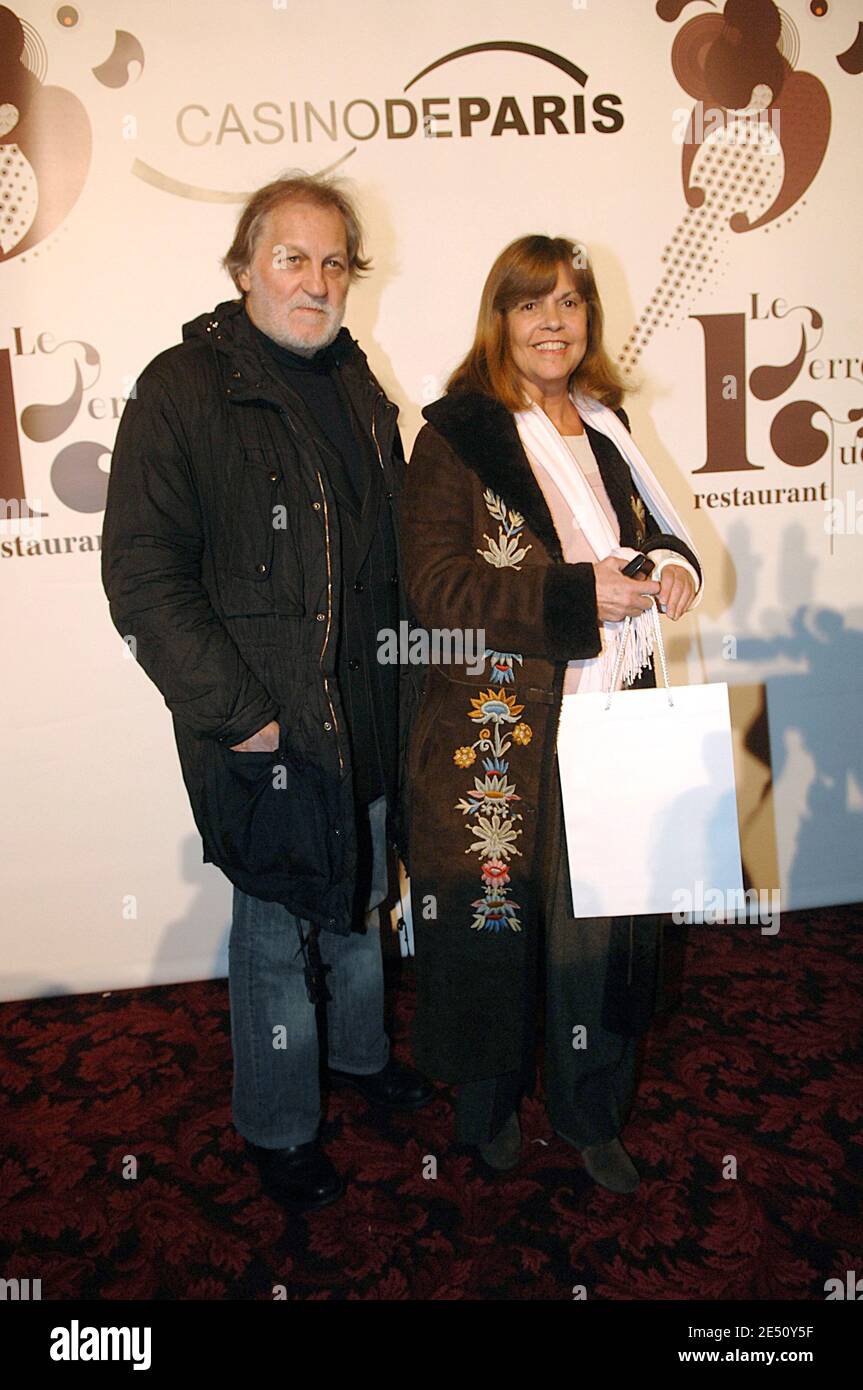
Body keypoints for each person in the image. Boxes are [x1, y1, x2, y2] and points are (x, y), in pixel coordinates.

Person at [102, 173, 431, 1212]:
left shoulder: (360, 382)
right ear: (244, 270)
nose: (317, 278)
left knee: (365, 901)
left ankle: (361, 1062)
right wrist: (243, 717)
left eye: (334, 260)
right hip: (269, 729)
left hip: (367, 713)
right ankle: (281, 1126)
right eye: (292, 256)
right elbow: (144, 576)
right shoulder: (184, 387)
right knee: (275, 940)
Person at [400, 235, 702, 1190]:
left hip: (616, 716)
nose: (553, 321)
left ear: (588, 321)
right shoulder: (456, 432)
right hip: (496, 731)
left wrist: (672, 572)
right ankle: (487, 1108)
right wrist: (579, 599)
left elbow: (653, 539)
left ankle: (589, 1109)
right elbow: (436, 588)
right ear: (499, 318)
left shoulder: (606, 427)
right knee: (493, 928)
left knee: (604, 928)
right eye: (532, 303)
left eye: (570, 303)